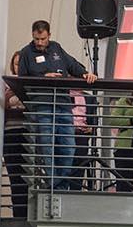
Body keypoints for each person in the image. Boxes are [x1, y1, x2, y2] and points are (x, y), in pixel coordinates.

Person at [15, 20, 97, 193]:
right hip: (42, 106)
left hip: (63, 105)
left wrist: (85, 73)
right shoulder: (26, 53)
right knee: (48, 148)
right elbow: (21, 82)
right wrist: (43, 78)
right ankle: (56, 188)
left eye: (43, 39)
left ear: (49, 36)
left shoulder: (57, 48)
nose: (39, 42)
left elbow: (73, 65)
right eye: (36, 39)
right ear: (32, 36)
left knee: (68, 147)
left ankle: (59, 185)